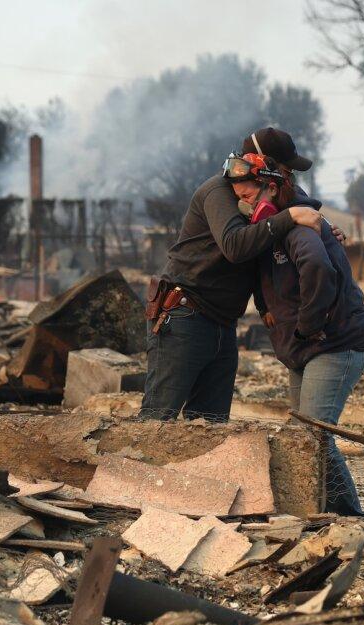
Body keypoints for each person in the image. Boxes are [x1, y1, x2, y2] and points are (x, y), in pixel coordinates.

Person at [139, 127, 342, 421]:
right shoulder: (219, 192)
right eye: (285, 170)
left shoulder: (267, 194)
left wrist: (321, 224)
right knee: (158, 418)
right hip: (184, 316)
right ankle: (129, 469)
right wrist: (289, 217)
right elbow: (235, 246)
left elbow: (267, 248)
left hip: (222, 322)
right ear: (261, 163)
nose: (289, 180)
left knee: (210, 425)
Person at [230, 153, 364, 516]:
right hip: (305, 348)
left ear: (273, 187)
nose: (244, 204)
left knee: (313, 437)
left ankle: (349, 514)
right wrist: (267, 310)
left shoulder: (299, 227)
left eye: (250, 196)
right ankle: (318, 511)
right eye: (240, 197)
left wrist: (308, 326)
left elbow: (316, 267)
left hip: (337, 344)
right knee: (303, 436)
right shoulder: (275, 230)